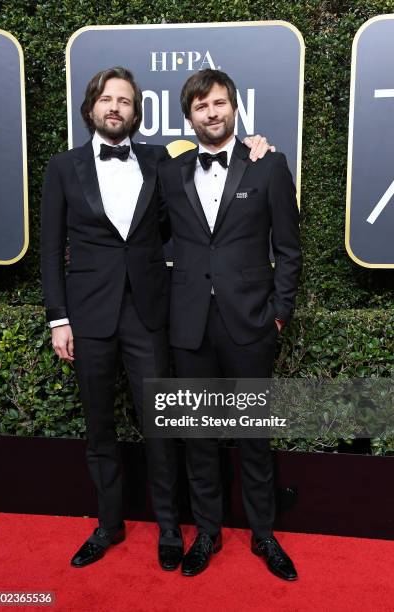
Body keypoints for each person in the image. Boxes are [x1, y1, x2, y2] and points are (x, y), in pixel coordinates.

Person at [40, 66, 273, 569]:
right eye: (107, 99)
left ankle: (170, 528)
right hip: (88, 315)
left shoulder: (162, 163)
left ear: (136, 113)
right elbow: (50, 247)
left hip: (151, 313)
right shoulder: (62, 167)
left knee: (162, 425)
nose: (115, 108)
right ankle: (107, 525)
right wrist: (59, 319)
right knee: (99, 427)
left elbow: (217, 166)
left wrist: (257, 145)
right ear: (91, 108)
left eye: (124, 101)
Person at [158, 69, 302, 580]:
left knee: (253, 438)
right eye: (201, 107)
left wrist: (278, 314)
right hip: (190, 326)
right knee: (197, 437)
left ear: (235, 108)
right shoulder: (170, 172)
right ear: (189, 116)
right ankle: (207, 532)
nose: (212, 113)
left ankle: (264, 535)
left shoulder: (269, 165)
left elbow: (288, 250)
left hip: (250, 325)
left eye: (219, 103)